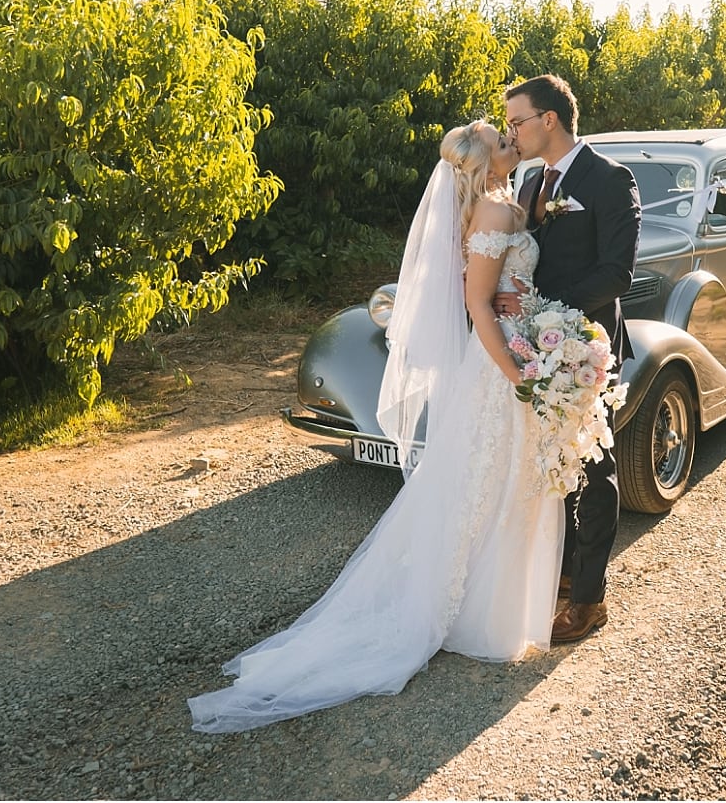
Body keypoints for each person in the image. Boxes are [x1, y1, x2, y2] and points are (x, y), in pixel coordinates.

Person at [188, 120, 567, 733]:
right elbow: (476, 304)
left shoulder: (505, 201)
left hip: (515, 348)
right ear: (482, 161)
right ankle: (475, 613)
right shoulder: (493, 217)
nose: (511, 143)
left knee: (497, 483)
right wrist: (517, 373)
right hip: (501, 364)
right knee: (487, 484)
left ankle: (488, 602)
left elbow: (502, 285)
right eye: (502, 140)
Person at [496, 75, 642, 643]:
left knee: (593, 465)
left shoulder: (609, 179)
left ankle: (589, 599)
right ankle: (558, 572)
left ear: (548, 119)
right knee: (547, 459)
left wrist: (544, 312)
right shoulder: (532, 179)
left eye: (517, 121)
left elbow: (617, 272)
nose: (513, 131)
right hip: (536, 344)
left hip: (585, 343)